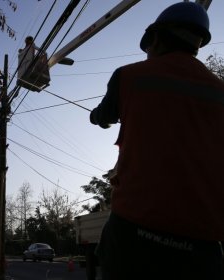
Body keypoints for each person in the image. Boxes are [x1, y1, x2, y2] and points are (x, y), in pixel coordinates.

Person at [90, 3, 224, 280]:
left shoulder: (128, 76)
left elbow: (102, 116)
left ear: (156, 38)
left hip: (133, 231)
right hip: (204, 245)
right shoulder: (220, 91)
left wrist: (100, 118)